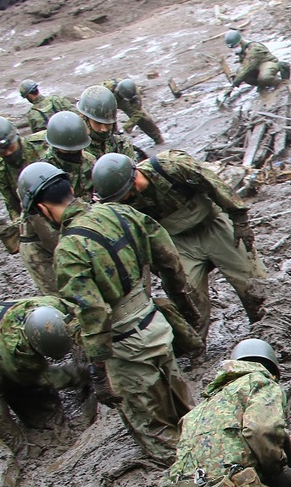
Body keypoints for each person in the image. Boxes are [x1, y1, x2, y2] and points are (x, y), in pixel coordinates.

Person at [25, 162, 203, 460]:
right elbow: (169, 260)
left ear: (43, 209)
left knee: (156, 432)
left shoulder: (69, 250)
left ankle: (199, 478)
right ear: (71, 190)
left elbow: (93, 312)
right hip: (155, 325)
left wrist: (97, 371)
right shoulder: (122, 213)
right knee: (186, 406)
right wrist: (184, 306)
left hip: (125, 347)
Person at [91, 151, 267, 330]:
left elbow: (213, 184)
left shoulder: (170, 166)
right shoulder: (121, 203)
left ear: (133, 182)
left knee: (252, 283)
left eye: (121, 196)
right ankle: (197, 348)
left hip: (213, 225)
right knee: (188, 297)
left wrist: (240, 220)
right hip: (178, 242)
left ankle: (265, 328)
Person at [158, 339, 291, 487]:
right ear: (273, 370)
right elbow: (261, 430)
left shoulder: (198, 411)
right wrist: (278, 472)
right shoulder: (259, 382)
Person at [0, 299, 86, 449]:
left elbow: (80, 308)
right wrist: (83, 373)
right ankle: (20, 452)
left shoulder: (52, 306)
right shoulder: (15, 356)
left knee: (42, 408)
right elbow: (42, 378)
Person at [0, 116, 58, 294]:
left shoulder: (42, 144)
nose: (8, 154)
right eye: (2, 153)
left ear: (17, 137)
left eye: (10, 148)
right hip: (37, 216)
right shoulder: (1, 170)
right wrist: (20, 225)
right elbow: (12, 205)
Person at [76, 85, 142, 161]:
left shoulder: (121, 145)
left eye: (107, 123)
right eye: (98, 123)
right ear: (86, 119)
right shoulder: (75, 147)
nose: (104, 129)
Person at [42, 111, 97, 191]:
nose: (73, 153)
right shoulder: (46, 170)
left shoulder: (90, 161)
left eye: (76, 150)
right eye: (67, 151)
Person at [104, 78, 165, 145]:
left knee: (143, 119)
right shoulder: (106, 90)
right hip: (108, 102)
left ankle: (157, 138)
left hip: (125, 102)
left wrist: (125, 127)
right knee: (104, 122)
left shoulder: (134, 93)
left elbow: (137, 114)